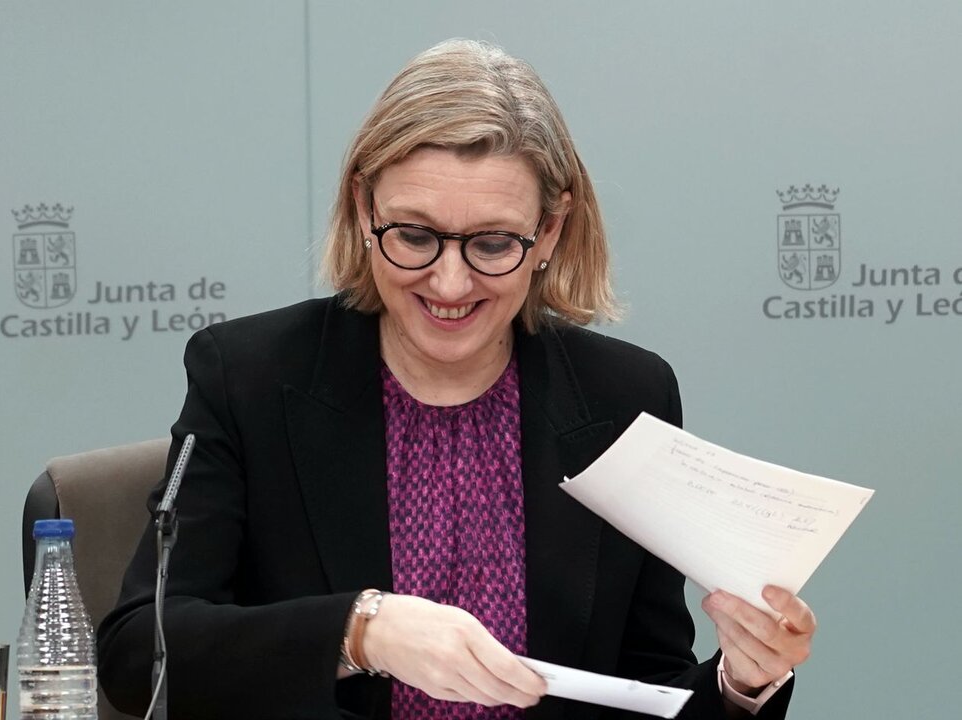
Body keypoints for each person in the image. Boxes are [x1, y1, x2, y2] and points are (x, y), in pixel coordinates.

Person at [98, 39, 815, 719]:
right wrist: (362, 631)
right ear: (362, 207)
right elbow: (138, 653)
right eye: (414, 235)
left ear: (551, 233)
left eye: (493, 243)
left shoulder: (623, 396)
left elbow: (646, 685)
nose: (448, 281)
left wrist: (741, 682)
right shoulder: (249, 374)